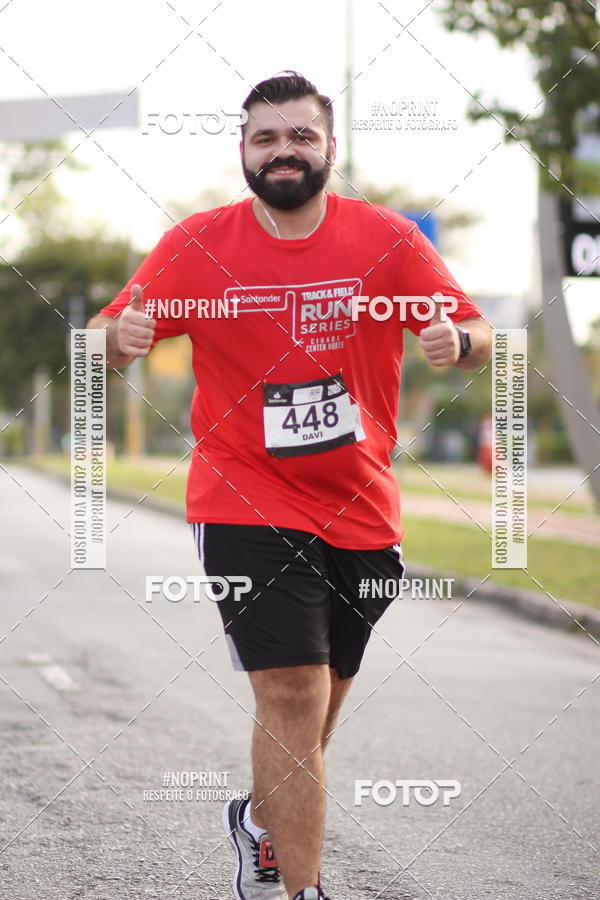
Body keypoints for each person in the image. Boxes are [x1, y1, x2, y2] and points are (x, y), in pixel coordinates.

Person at [88, 70, 492, 900]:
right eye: (266, 137)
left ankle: (259, 821)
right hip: (243, 494)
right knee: (292, 689)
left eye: (301, 136)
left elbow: (479, 329)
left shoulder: (387, 239)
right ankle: (303, 890)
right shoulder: (197, 244)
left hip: (361, 504)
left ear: (329, 147)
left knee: (314, 706)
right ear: (243, 150)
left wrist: (459, 343)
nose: (284, 150)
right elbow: (98, 338)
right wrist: (117, 338)